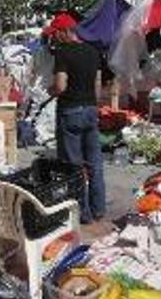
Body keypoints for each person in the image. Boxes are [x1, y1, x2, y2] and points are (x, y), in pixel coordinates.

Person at [46, 13, 106, 223]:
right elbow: (98, 88)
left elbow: (60, 86)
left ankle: (83, 214)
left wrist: (50, 90)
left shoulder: (63, 53)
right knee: (94, 163)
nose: (54, 39)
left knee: (73, 166)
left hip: (70, 111)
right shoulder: (93, 51)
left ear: (64, 32)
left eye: (55, 34)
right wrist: (92, 104)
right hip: (90, 109)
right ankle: (98, 209)